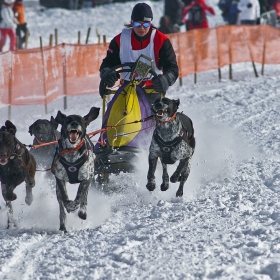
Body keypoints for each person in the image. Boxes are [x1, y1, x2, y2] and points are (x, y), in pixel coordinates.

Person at [99, 3, 179, 102]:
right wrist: (107, 74)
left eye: (146, 24)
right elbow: (107, 64)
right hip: (126, 91)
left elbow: (172, 68)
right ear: (132, 23)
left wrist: (166, 79)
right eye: (137, 24)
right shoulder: (120, 40)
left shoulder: (161, 40)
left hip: (152, 91)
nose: (141, 28)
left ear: (151, 23)